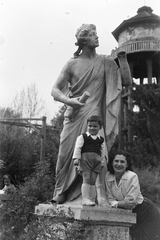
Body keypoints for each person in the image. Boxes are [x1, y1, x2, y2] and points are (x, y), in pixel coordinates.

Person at [51, 23, 132, 205]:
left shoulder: (105, 62)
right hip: (74, 115)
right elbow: (55, 90)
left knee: (100, 156)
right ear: (83, 39)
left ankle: (100, 194)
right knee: (65, 154)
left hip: (95, 116)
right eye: (93, 34)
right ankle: (61, 191)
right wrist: (69, 100)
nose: (97, 37)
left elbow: (126, 82)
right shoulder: (72, 64)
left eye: (96, 34)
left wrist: (123, 59)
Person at [105, 150, 160, 240]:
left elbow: (130, 203)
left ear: (127, 165)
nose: (119, 164)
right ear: (111, 163)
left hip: (146, 212)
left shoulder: (132, 176)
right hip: (128, 211)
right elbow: (109, 198)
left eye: (122, 162)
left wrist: (114, 203)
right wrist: (119, 204)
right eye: (116, 161)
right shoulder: (107, 176)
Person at [72, 115, 106, 206]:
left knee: (93, 180)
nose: (92, 128)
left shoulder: (100, 139)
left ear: (100, 127)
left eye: (95, 126)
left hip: (96, 161)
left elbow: (102, 151)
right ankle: (85, 198)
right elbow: (78, 148)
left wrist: (102, 161)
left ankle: (91, 199)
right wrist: (76, 159)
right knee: (86, 179)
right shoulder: (83, 137)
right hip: (86, 160)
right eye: (90, 126)